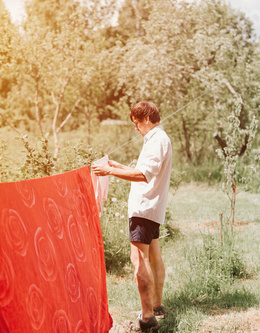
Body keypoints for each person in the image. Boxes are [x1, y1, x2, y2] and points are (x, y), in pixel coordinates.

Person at [93, 101, 172, 332]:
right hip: (152, 208)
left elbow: (143, 175)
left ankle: (147, 318)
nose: (136, 129)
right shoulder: (158, 139)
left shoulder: (157, 140)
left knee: (139, 261)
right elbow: (145, 169)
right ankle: (156, 307)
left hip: (144, 208)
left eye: (137, 124)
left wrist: (109, 171)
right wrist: (118, 166)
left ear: (146, 119)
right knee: (154, 255)